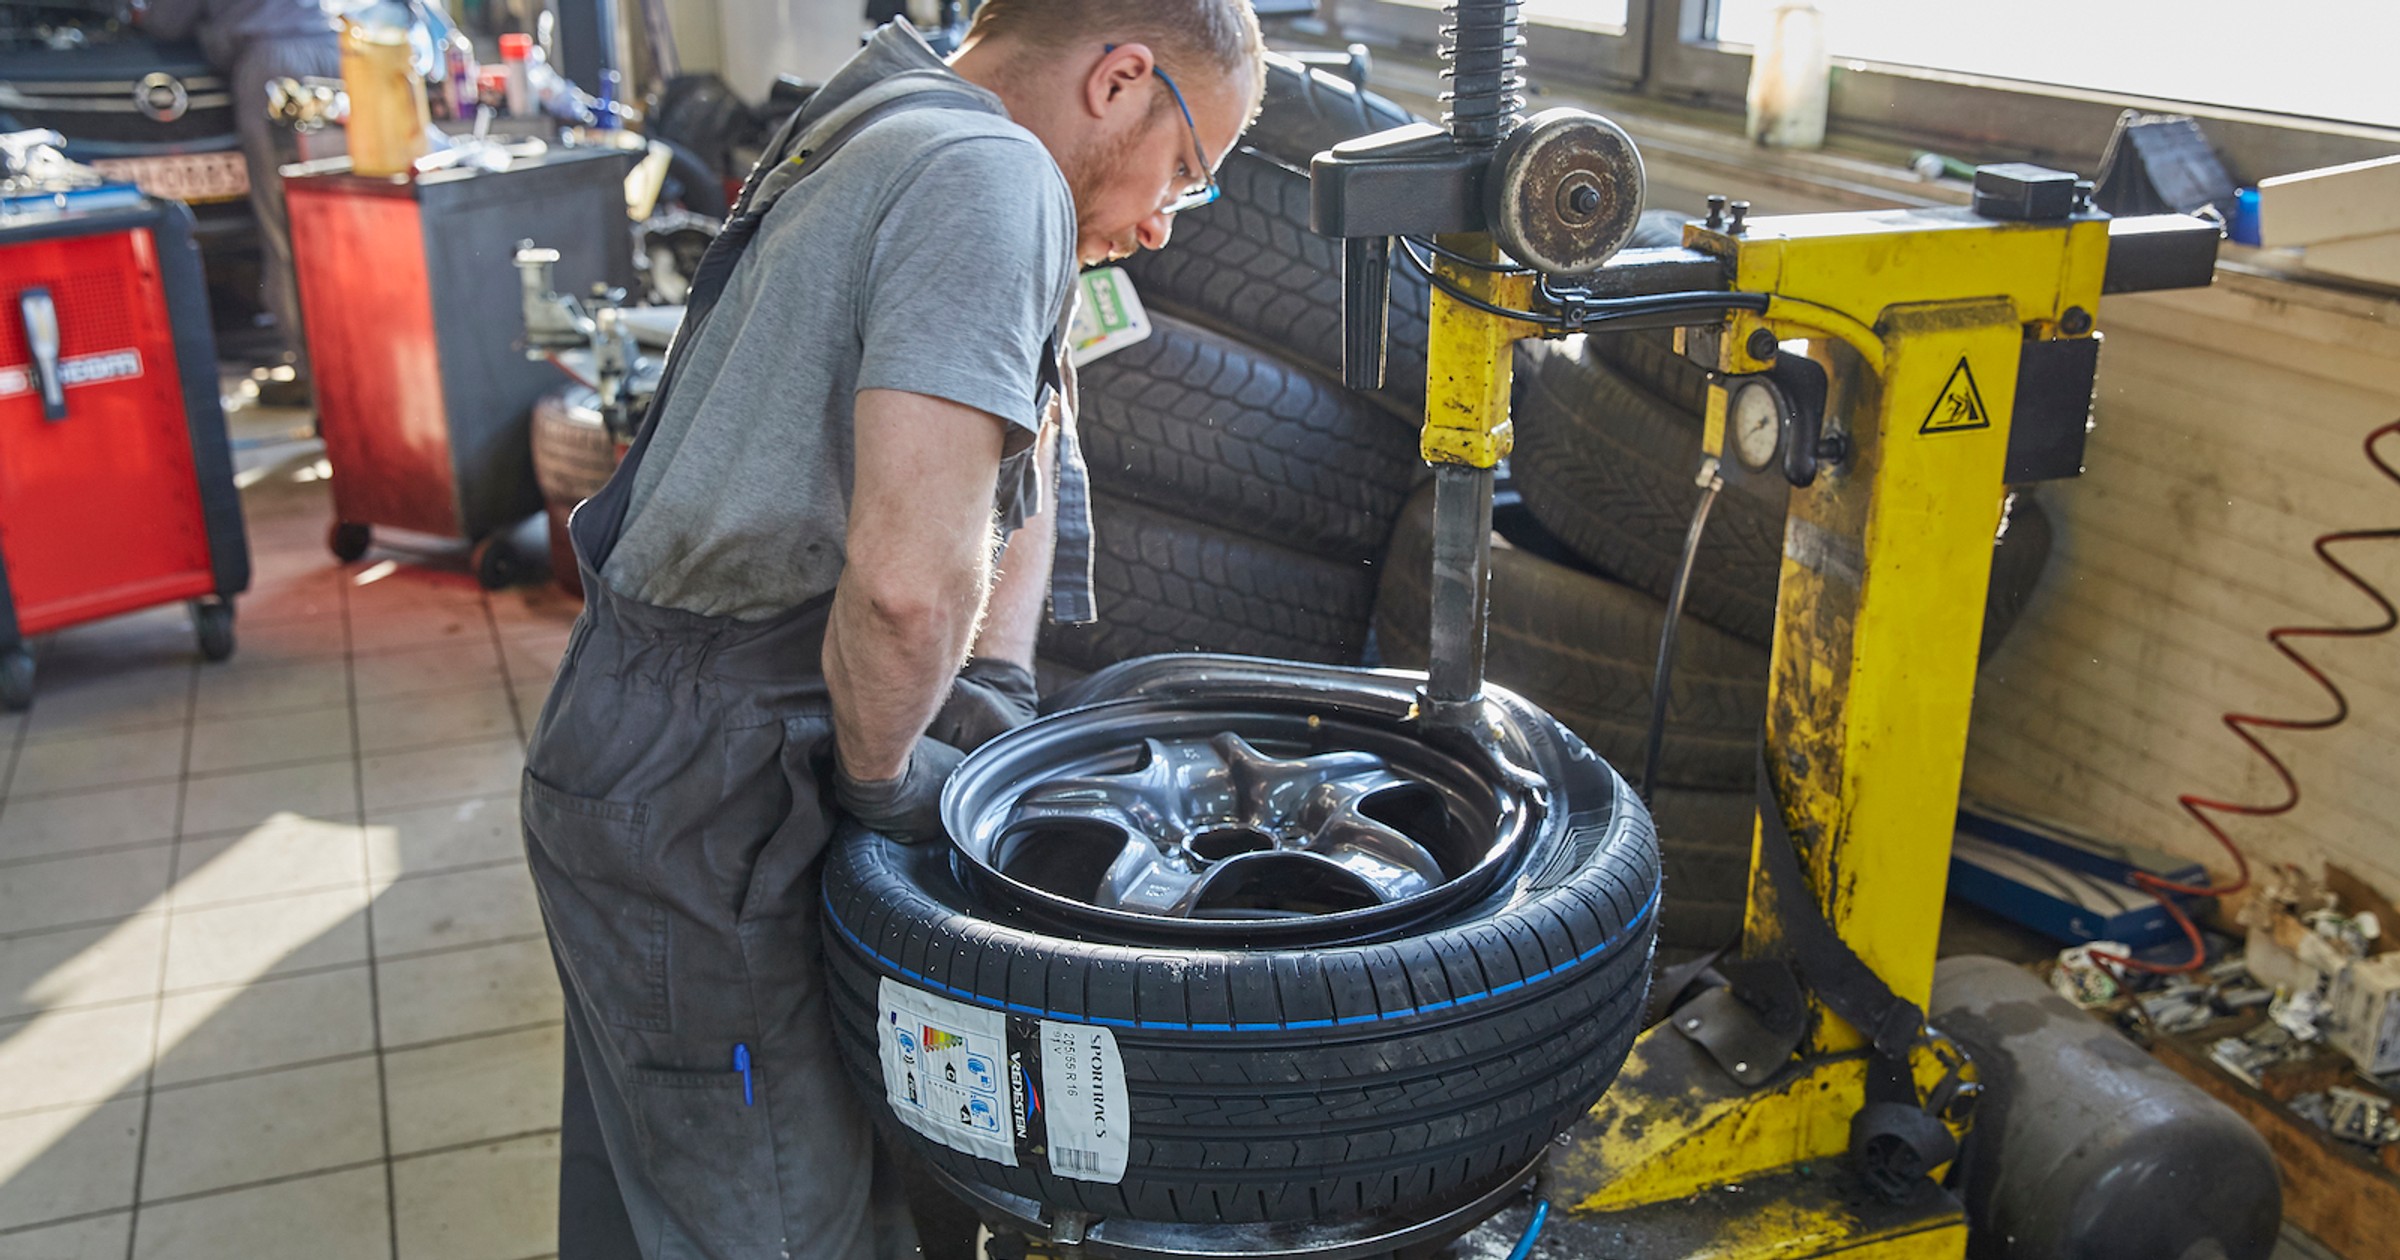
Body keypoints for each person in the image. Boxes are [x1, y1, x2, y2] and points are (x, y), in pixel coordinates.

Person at [518, 4, 1265, 1258]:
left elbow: (1016, 442)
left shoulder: (891, 106)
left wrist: (997, 692)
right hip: (707, 777)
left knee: (675, 1173)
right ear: (1122, 78)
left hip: (667, 737)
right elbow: (909, 588)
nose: (1158, 222)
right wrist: (885, 776)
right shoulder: (992, 174)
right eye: (1185, 172)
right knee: (773, 1212)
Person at [138, 0, 338, 371]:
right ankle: (352, 361)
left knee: (285, 229)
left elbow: (165, 22)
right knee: (341, 215)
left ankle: (319, 376)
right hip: (331, 52)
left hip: (276, 69)